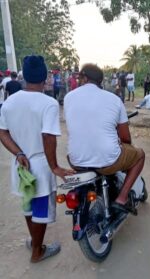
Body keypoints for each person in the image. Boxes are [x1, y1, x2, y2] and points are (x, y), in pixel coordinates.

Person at [0, 55, 75, 263]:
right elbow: (48, 137)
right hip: (40, 165)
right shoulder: (48, 103)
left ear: (24, 77)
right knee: (40, 209)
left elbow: (2, 133)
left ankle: (35, 241)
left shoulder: (9, 103)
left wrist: (19, 153)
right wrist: (55, 167)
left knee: (28, 205)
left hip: (21, 165)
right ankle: (37, 252)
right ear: (45, 78)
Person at [64, 63, 145, 214]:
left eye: (80, 77)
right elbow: (125, 137)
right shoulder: (114, 99)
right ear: (100, 81)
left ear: (85, 78)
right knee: (139, 155)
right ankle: (121, 199)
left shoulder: (69, 97)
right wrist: (125, 146)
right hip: (108, 161)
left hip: (75, 160)